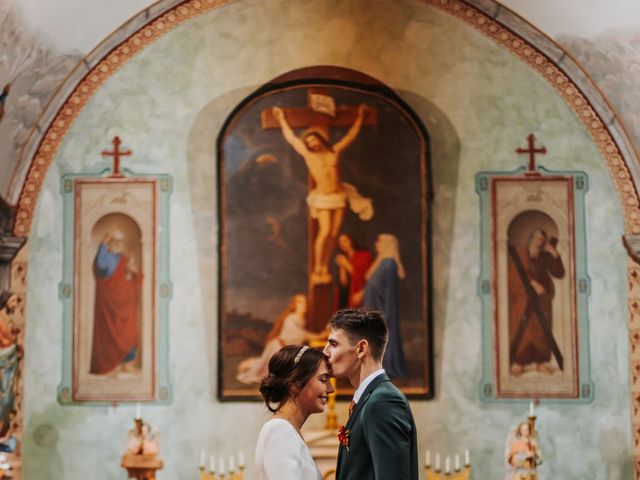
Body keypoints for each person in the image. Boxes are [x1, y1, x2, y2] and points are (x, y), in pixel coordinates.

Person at [272, 105, 373, 285]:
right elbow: (292, 139)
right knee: (324, 232)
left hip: (338, 196)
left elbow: (350, 136)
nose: (312, 144)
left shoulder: (334, 151)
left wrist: (359, 116)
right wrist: (281, 119)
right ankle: (317, 267)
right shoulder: (308, 156)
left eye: (314, 140)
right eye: (309, 142)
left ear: (320, 139)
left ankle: (325, 266)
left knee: (334, 234)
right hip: (324, 198)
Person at [323, 308, 418, 480]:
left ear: (361, 349)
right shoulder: (370, 398)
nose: (325, 351)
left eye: (334, 344)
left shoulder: (383, 401)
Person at [255, 345, 333, 480]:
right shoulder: (279, 430)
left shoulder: (288, 430)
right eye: (323, 380)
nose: (330, 389)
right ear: (296, 383)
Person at [508, 228, 565, 376]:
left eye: (541, 239)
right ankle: (519, 363)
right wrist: (533, 283)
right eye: (536, 238)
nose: (538, 242)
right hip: (523, 298)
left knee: (541, 331)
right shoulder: (521, 253)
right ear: (531, 238)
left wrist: (555, 254)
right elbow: (514, 273)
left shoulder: (544, 257)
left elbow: (559, 274)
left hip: (542, 299)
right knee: (523, 330)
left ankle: (540, 363)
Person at [237, 294, 325, 384]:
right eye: (300, 302)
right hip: (278, 347)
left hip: (285, 350)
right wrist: (319, 336)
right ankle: (248, 364)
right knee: (265, 371)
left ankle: (251, 363)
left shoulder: (302, 319)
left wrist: (320, 335)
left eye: (305, 302)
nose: (304, 304)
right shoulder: (290, 318)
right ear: (295, 305)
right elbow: (300, 335)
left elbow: (303, 335)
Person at [90, 230, 142, 375]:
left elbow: (136, 275)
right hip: (109, 306)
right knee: (109, 334)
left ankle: (126, 363)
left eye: (120, 243)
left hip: (126, 304)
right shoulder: (105, 257)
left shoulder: (124, 258)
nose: (119, 245)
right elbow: (100, 267)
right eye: (115, 242)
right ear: (109, 244)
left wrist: (135, 272)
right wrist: (102, 244)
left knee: (130, 332)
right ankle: (112, 365)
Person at [362, 234, 408, 378]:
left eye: (379, 241)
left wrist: (386, 314)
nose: (376, 244)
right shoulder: (383, 262)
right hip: (375, 309)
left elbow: (389, 292)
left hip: (381, 310)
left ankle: (387, 368)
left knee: (381, 341)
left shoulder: (389, 264)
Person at [0, 292, 18, 453]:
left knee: (9, 397)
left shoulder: (10, 319)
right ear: (5, 301)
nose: (14, 304)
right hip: (3, 361)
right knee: (3, 397)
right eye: (12, 301)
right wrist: (12, 346)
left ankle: (5, 431)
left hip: (11, 362)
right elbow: (4, 342)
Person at [334, 233, 372, 308]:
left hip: (359, 296)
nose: (342, 244)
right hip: (345, 298)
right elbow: (344, 283)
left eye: (345, 241)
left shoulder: (363, 256)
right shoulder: (345, 258)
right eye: (340, 242)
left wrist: (346, 264)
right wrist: (342, 267)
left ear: (352, 241)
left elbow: (361, 277)